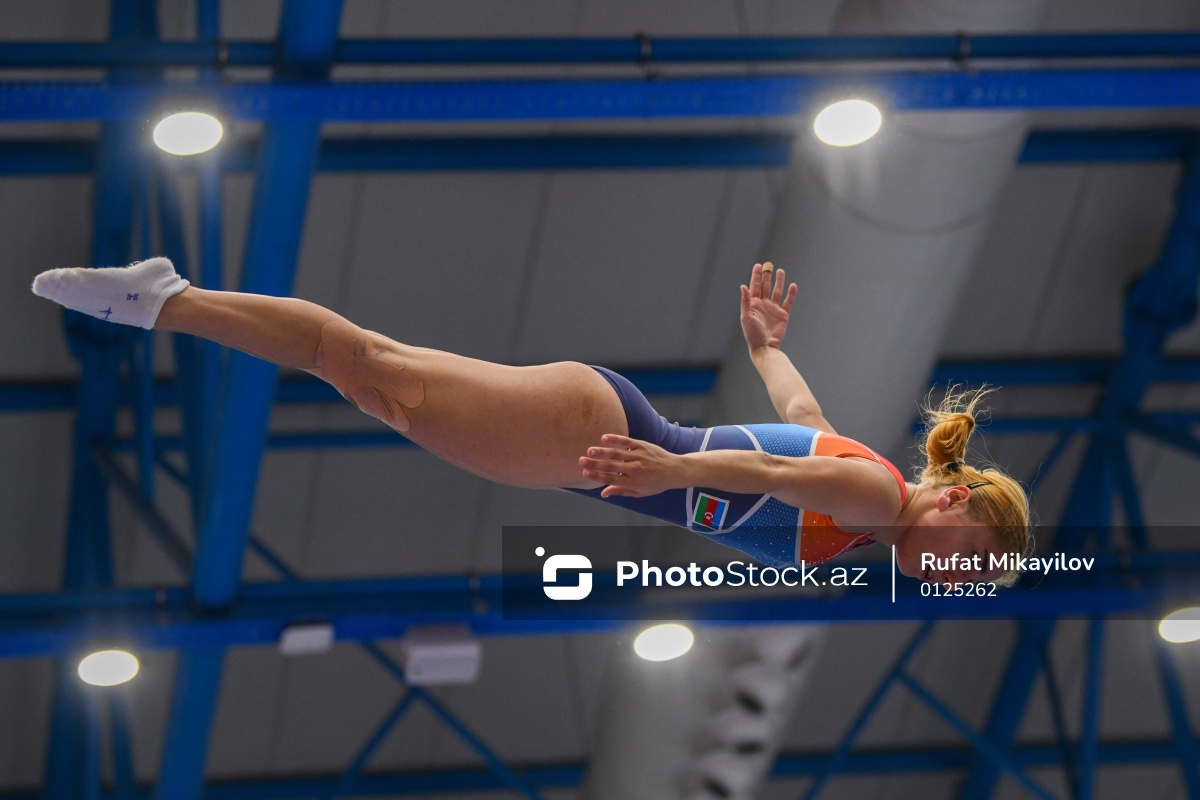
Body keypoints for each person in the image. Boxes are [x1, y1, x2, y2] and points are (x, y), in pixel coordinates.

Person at [32, 258, 1030, 586]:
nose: (960, 574)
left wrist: (766, 347)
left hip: (603, 438)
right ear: (954, 500)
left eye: (975, 579)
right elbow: (768, 476)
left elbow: (801, 422)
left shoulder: (866, 500)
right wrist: (668, 473)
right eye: (974, 556)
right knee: (369, 370)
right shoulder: (877, 500)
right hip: (609, 443)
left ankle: (168, 300)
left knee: (371, 376)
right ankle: (165, 302)